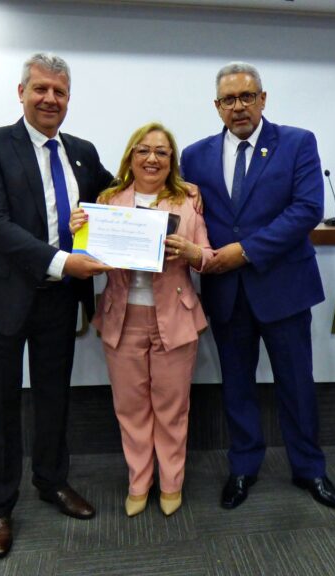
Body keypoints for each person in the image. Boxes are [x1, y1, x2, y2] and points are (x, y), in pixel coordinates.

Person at [0, 53, 113, 559]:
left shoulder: (82, 152)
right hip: (1, 296)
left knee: (53, 397)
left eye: (59, 92)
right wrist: (63, 261)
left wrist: (174, 191)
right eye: (40, 89)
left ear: (69, 99)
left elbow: (118, 195)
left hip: (58, 300)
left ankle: (52, 481)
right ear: (20, 92)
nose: (50, 99)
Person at [181, 61, 335, 511]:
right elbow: (185, 215)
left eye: (247, 96)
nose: (239, 106)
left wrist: (245, 251)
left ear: (263, 99)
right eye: (229, 99)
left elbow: (306, 209)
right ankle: (243, 466)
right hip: (226, 292)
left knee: (296, 385)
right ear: (217, 106)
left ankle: (309, 469)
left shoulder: (297, 143)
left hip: (283, 288)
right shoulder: (194, 156)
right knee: (236, 385)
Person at [70, 123, 212, 518]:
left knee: (172, 408)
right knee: (130, 408)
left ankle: (171, 483)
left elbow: (208, 256)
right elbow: (89, 261)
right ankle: (138, 482)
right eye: (143, 150)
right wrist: (79, 234)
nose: (152, 158)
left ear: (172, 161)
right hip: (122, 317)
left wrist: (192, 252)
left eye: (162, 152)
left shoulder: (188, 200)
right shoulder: (108, 200)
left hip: (175, 317)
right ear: (130, 157)